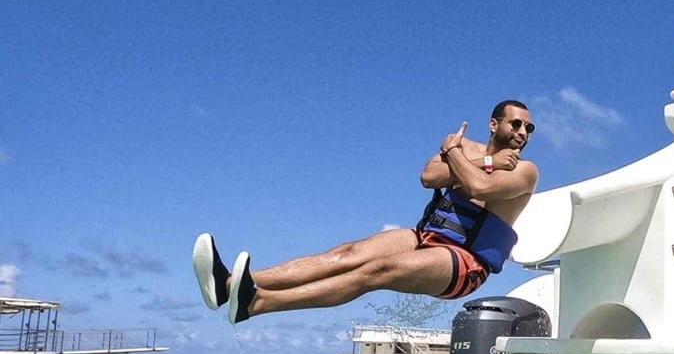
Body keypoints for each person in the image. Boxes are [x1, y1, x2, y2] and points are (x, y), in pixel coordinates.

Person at [192, 101, 540, 324]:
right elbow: (428, 176)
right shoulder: (468, 149)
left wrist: (457, 154)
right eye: (516, 124)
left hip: (463, 261)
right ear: (494, 124)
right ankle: (227, 286)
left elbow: (479, 188)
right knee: (347, 254)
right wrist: (485, 159)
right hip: (424, 237)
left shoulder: (525, 171)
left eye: (528, 128)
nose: (522, 133)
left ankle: (258, 303)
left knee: (376, 270)